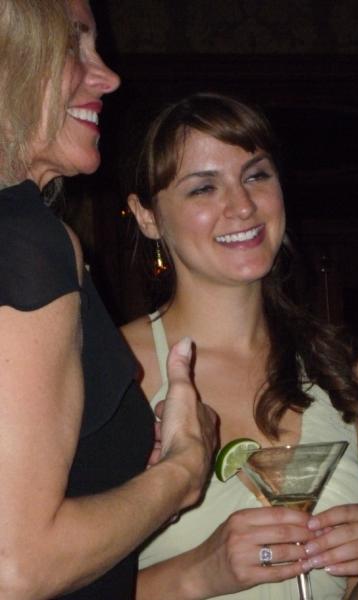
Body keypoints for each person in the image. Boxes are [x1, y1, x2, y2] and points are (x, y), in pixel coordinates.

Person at [121, 92, 358, 600]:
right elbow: (39, 582)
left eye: (256, 176)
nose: (243, 205)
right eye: (204, 188)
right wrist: (199, 572)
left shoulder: (342, 369)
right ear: (147, 216)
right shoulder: (114, 370)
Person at [0, 3, 216, 599]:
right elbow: (17, 567)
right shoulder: (25, 238)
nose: (109, 76)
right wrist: (184, 470)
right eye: (73, 45)